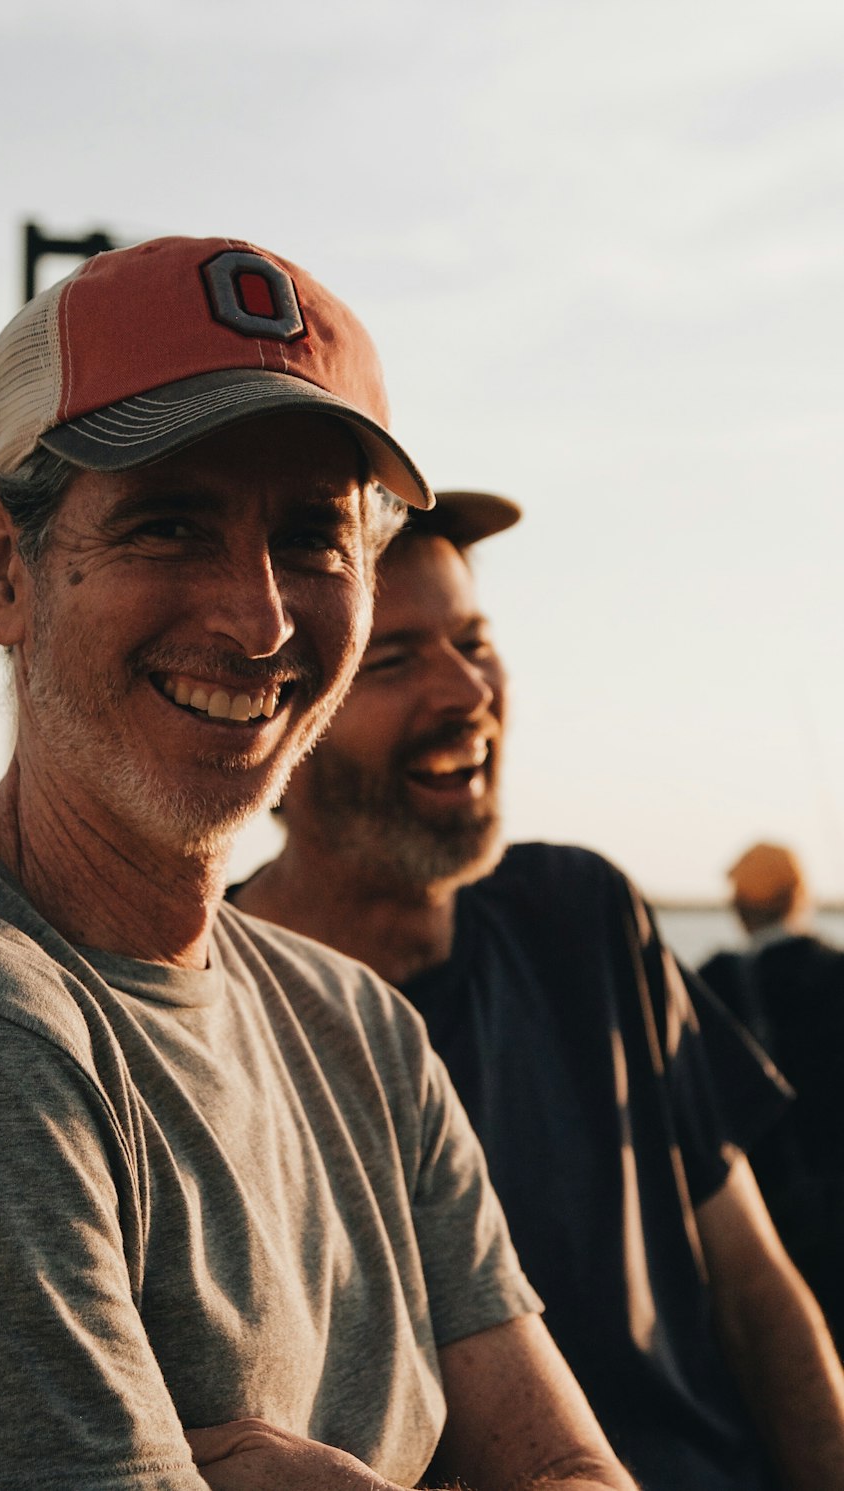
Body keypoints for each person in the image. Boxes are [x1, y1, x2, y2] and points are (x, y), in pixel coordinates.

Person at [0, 238, 639, 1491]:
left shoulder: (364, 1034)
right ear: (5, 570)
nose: (261, 620)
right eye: (170, 525)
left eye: (315, 537)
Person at [232, 489, 844, 1491]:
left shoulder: (583, 916)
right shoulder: (204, 1012)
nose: (465, 689)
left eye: (472, 641)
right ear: (277, 721)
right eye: (394, 660)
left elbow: (758, 1296)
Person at [700, 844, 844, 1343]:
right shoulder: (836, 972)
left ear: (740, 906)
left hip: (755, 1211)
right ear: (799, 895)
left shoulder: (713, 982)